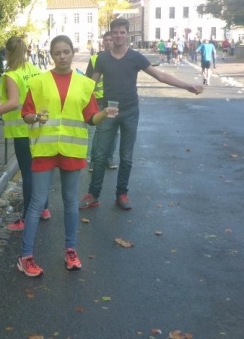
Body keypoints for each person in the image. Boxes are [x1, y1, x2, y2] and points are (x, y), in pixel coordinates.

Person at [80, 18, 203, 211]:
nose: (119, 35)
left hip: (130, 111)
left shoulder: (135, 57)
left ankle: (122, 194)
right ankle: (93, 195)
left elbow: (160, 75)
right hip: (108, 112)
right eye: (115, 32)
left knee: (126, 156)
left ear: (127, 34)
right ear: (111, 34)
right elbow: (89, 85)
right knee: (100, 155)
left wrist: (187, 86)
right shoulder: (102, 58)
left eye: (122, 32)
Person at [16, 35, 111, 277]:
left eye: (66, 51)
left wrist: (105, 114)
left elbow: (91, 118)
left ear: (72, 52)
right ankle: (25, 256)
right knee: (37, 202)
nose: (62, 56)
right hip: (44, 149)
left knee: (70, 202)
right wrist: (36, 117)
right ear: (51, 55)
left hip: (71, 149)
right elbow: (26, 115)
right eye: (57, 53)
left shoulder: (84, 84)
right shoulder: (38, 82)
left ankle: (71, 251)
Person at [0, 37, 46, 231]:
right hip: (37, 126)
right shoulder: (34, 70)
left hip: (22, 129)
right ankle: (44, 208)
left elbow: (13, 103)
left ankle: (27, 218)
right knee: (39, 170)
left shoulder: (12, 75)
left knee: (28, 173)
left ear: (8, 53)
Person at [86, 31, 118, 170]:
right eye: (106, 40)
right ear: (103, 42)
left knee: (113, 131)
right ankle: (94, 160)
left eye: (111, 40)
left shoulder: (119, 58)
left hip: (113, 99)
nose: (108, 42)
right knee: (97, 131)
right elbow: (88, 80)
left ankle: (109, 158)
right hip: (98, 99)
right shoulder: (94, 59)